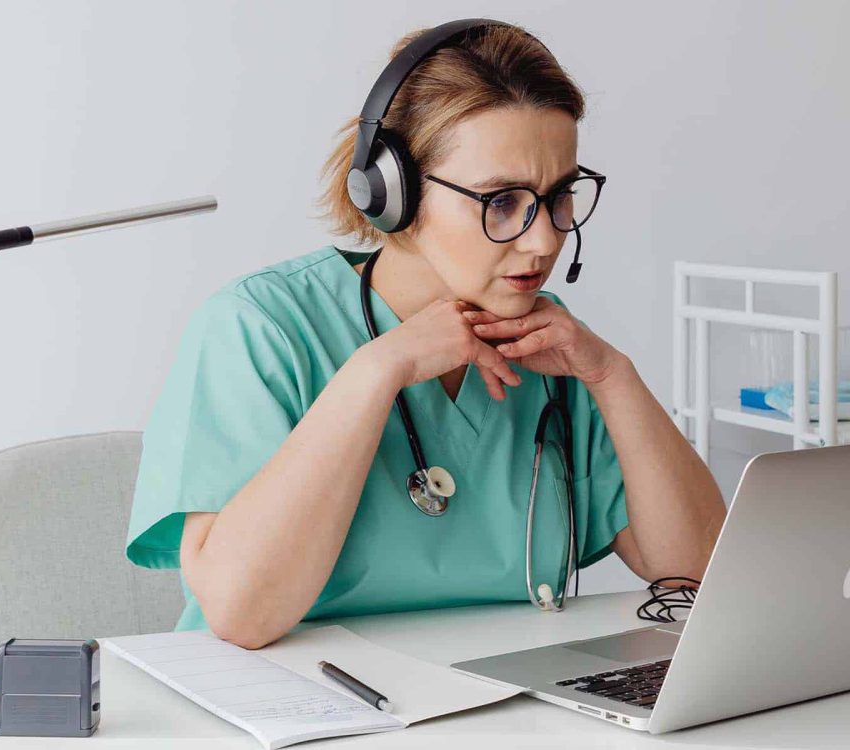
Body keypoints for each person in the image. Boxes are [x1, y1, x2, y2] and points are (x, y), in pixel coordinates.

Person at [124, 21, 725, 650]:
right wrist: (376, 371)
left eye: (559, 196)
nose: (545, 239)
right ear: (393, 193)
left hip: (507, 712)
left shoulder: (553, 352)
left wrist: (612, 375)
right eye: (500, 200)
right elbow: (241, 614)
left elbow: (699, 572)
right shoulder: (260, 328)